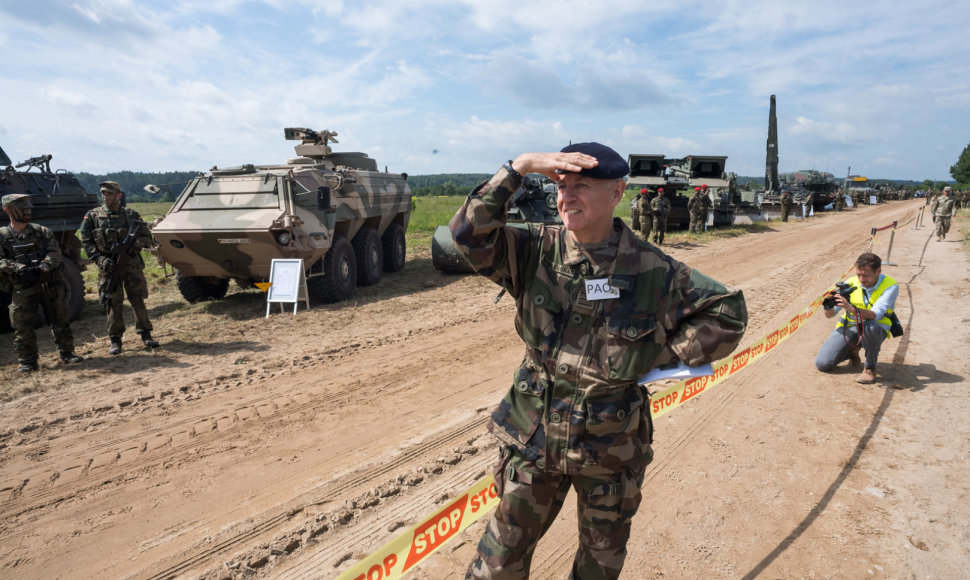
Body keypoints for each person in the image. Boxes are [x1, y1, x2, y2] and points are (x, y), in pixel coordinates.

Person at [450, 143, 748, 579]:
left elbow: (728, 313)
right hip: (535, 438)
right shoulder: (534, 250)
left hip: (610, 448)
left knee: (599, 566)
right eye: (562, 185)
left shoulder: (653, 270)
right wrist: (520, 167)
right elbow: (465, 234)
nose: (567, 196)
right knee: (499, 562)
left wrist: (651, 357)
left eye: (583, 186)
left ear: (617, 193)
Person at [0, 194, 84, 373]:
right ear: (7, 210)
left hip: (48, 284)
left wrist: (43, 267)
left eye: (28, 207)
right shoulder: (3, 236)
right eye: (22, 207)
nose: (27, 210)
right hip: (22, 287)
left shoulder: (42, 231)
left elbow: (54, 252)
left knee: (60, 319)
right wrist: (18, 268)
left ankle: (67, 353)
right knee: (22, 326)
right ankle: (28, 362)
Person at [80, 181, 159, 354]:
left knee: (137, 299)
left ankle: (146, 335)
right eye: (103, 194)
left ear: (119, 195)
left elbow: (148, 237)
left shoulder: (132, 215)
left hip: (132, 266)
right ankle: (115, 341)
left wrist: (135, 245)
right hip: (109, 268)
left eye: (110, 194)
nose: (106, 197)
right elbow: (86, 242)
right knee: (112, 303)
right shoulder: (93, 216)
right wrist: (100, 260)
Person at [815, 252, 898, 384]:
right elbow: (829, 315)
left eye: (865, 275)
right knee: (823, 363)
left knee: (870, 327)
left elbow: (875, 314)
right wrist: (828, 306)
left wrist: (850, 308)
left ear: (878, 271)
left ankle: (870, 367)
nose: (861, 279)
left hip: (875, 326)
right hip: (849, 326)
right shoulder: (850, 282)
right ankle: (852, 350)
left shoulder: (890, 286)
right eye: (858, 274)